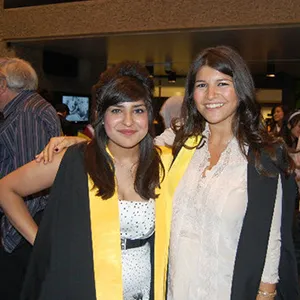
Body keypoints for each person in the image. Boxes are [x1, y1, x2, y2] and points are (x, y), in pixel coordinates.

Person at [37, 46, 299, 300]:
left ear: (240, 89)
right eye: (201, 85)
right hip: (174, 286)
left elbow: (273, 239)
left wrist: (265, 293)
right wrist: (81, 144)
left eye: (222, 83)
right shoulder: (181, 142)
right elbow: (128, 142)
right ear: (191, 95)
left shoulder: (261, 157)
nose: (210, 94)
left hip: (229, 286)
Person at [0, 61, 173, 300]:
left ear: (150, 115)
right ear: (101, 116)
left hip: (143, 288)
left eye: (138, 110)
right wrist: (43, 243)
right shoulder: (74, 161)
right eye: (116, 110)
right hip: (84, 284)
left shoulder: (164, 164)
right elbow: (6, 189)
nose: (128, 121)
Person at [0, 57, 61, 300]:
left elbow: (29, 188)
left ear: (2, 85)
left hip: (21, 231)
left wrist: (8, 238)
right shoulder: (30, 109)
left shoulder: (27, 115)